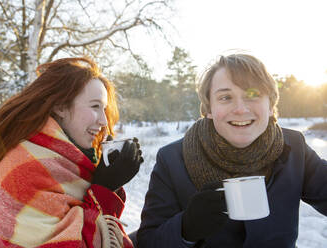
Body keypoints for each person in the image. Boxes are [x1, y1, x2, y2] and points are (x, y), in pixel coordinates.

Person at [136, 53, 327, 248]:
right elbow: (148, 241)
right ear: (209, 109)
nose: (240, 109)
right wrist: (185, 228)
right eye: (226, 97)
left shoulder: (294, 147)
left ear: (270, 105)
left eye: (253, 95)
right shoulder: (172, 160)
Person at [0, 57, 143, 248]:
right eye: (94, 106)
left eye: (104, 109)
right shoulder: (25, 171)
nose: (103, 121)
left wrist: (104, 181)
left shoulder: (60, 161)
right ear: (60, 107)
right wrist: (104, 190)